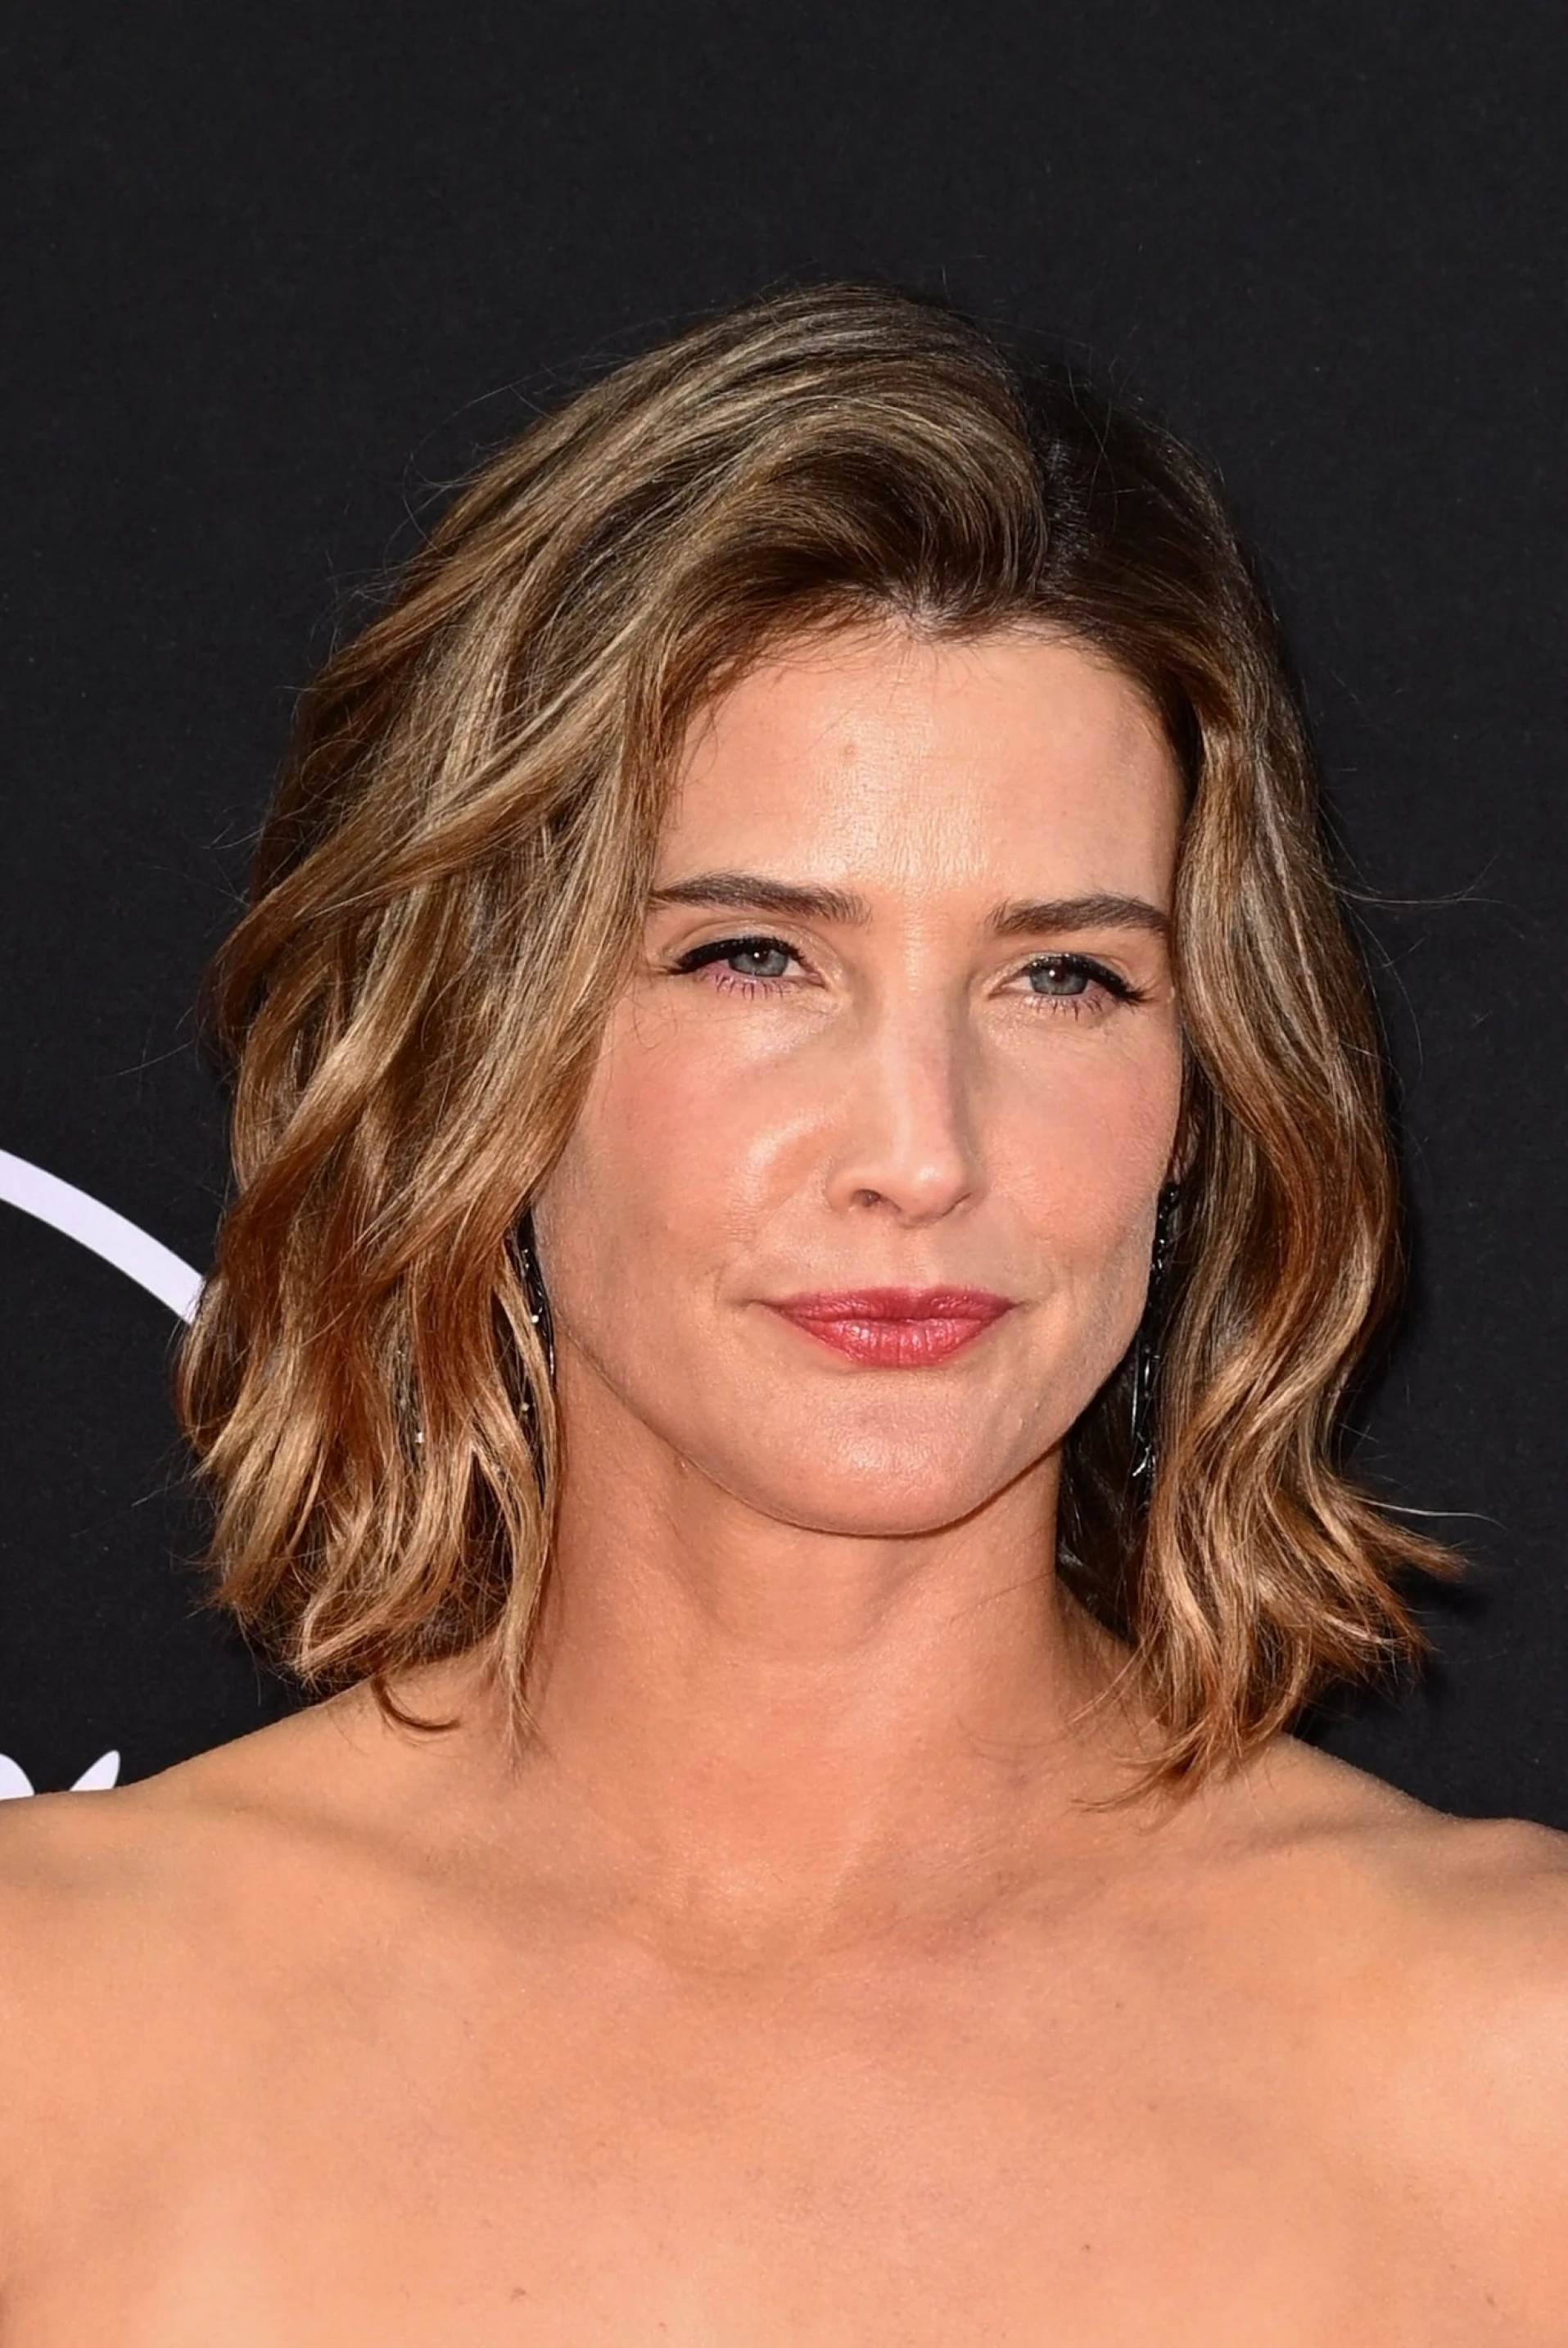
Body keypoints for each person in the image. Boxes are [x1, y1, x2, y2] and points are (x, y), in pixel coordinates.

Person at [1, 283, 1564, 2346]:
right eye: (754, 956)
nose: (921, 1149)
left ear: (1201, 1096)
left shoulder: (1513, 2066)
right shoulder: (51, 2035)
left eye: (1064, 977)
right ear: (484, 1042)